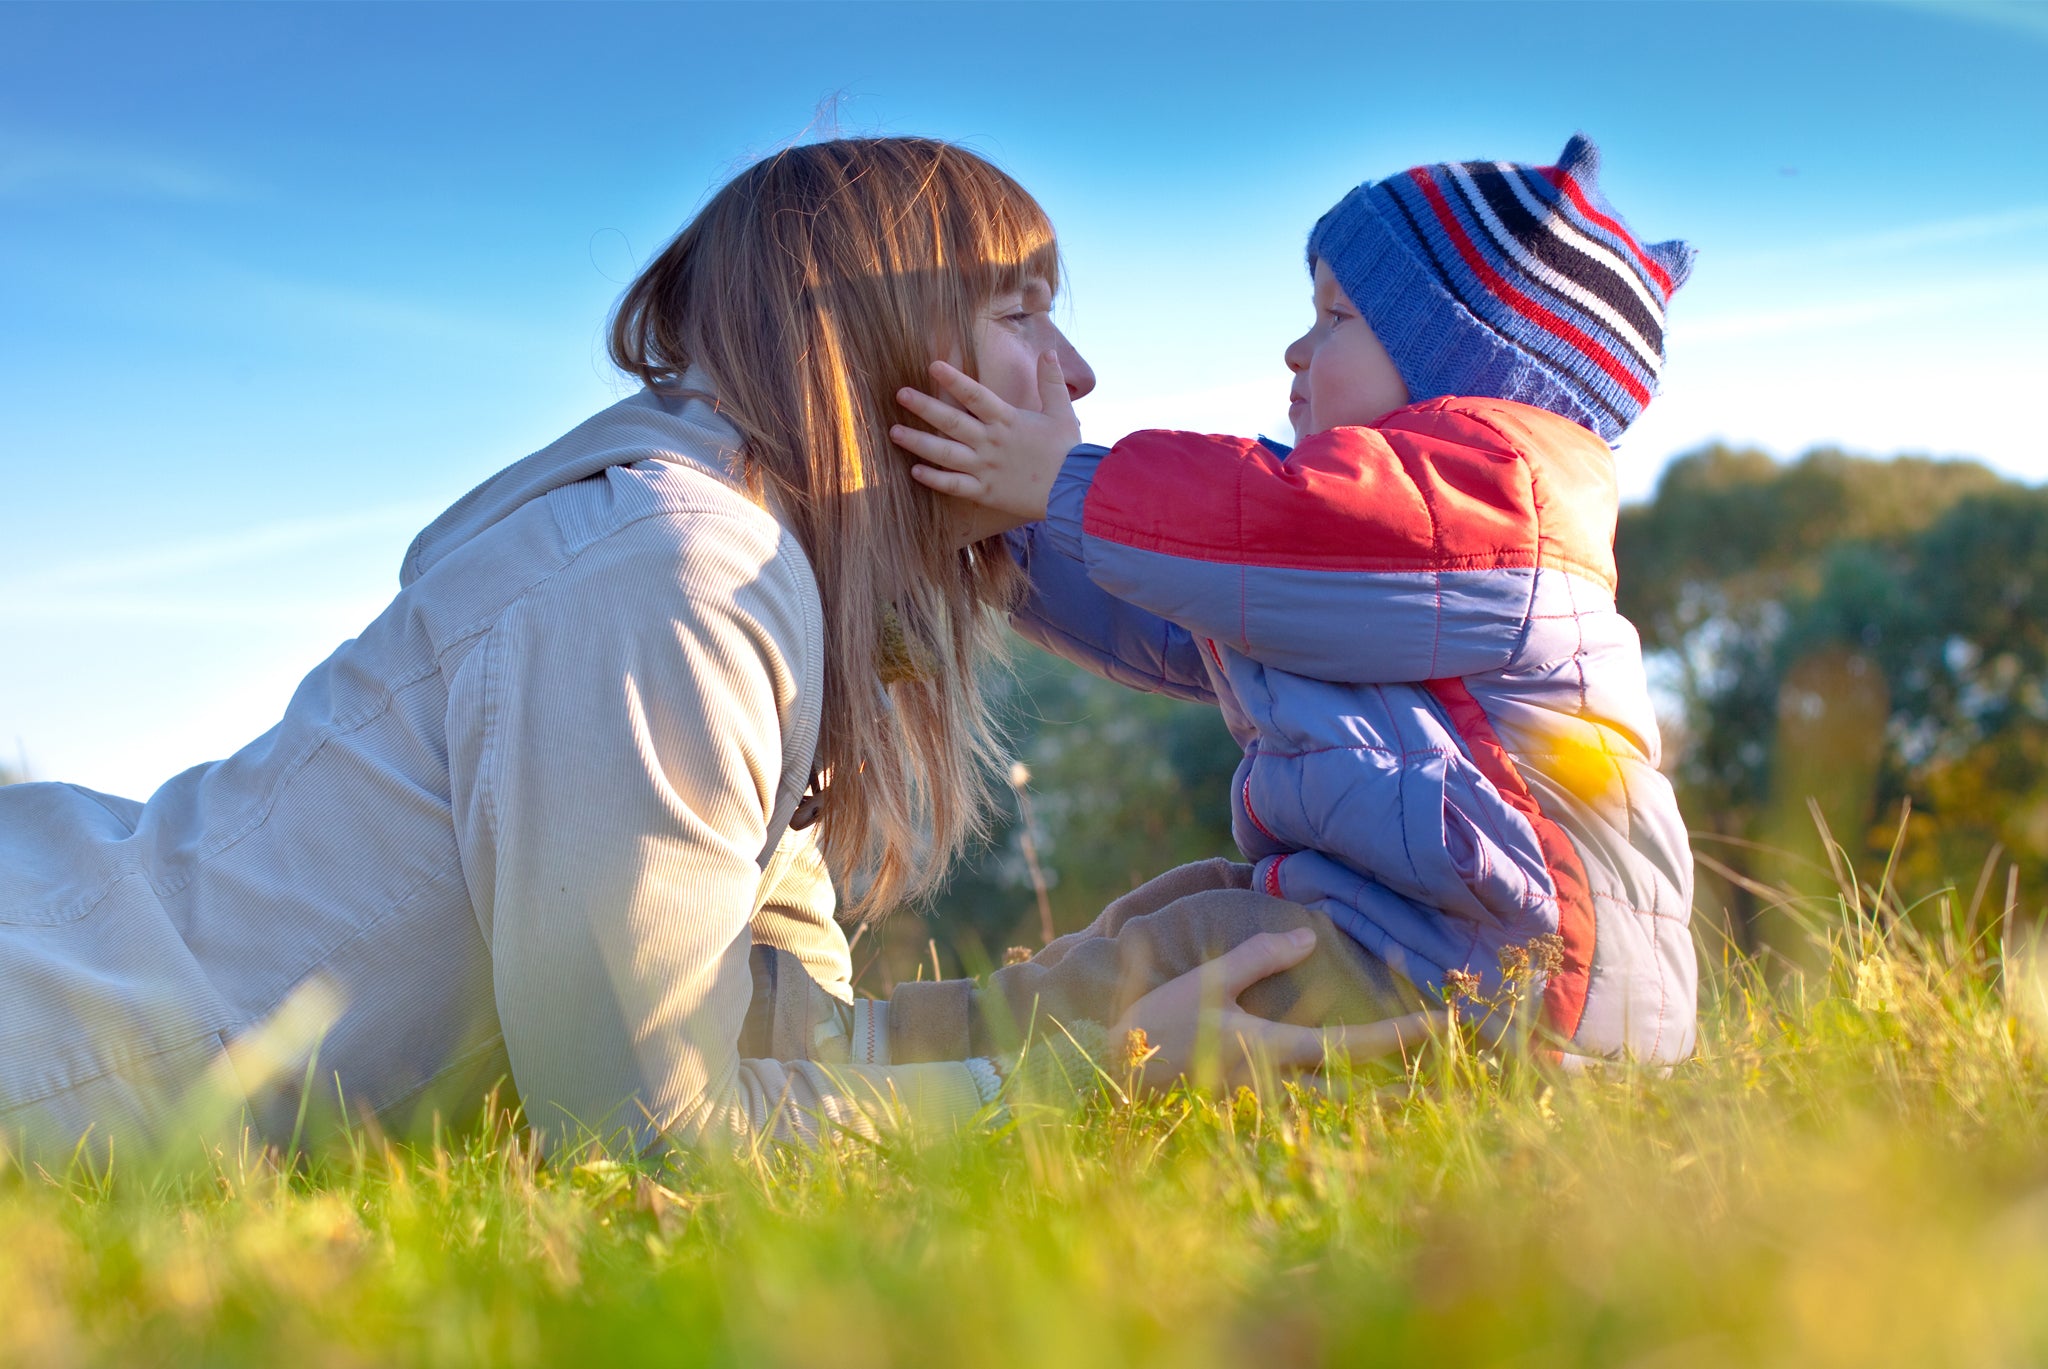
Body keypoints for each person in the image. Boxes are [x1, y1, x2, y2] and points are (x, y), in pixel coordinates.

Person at [0, 138, 1432, 1165]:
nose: (1075, 374)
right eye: (1020, 311)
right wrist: (1091, 1079)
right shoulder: (676, 577)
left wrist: (1094, 992)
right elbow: (646, 1131)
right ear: (883, 344)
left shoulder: (770, 587)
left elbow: (780, 1040)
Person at [891, 136, 1700, 1065]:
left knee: (1204, 944)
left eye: (1335, 317)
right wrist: (1005, 526)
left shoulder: (1495, 497)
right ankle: (915, 1043)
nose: (1295, 348)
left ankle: (916, 1065)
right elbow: (1179, 612)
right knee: (1172, 910)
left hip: (1513, 979)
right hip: (1444, 942)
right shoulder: (1371, 567)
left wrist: (1062, 482)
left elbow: (1265, 523)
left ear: (1456, 364)